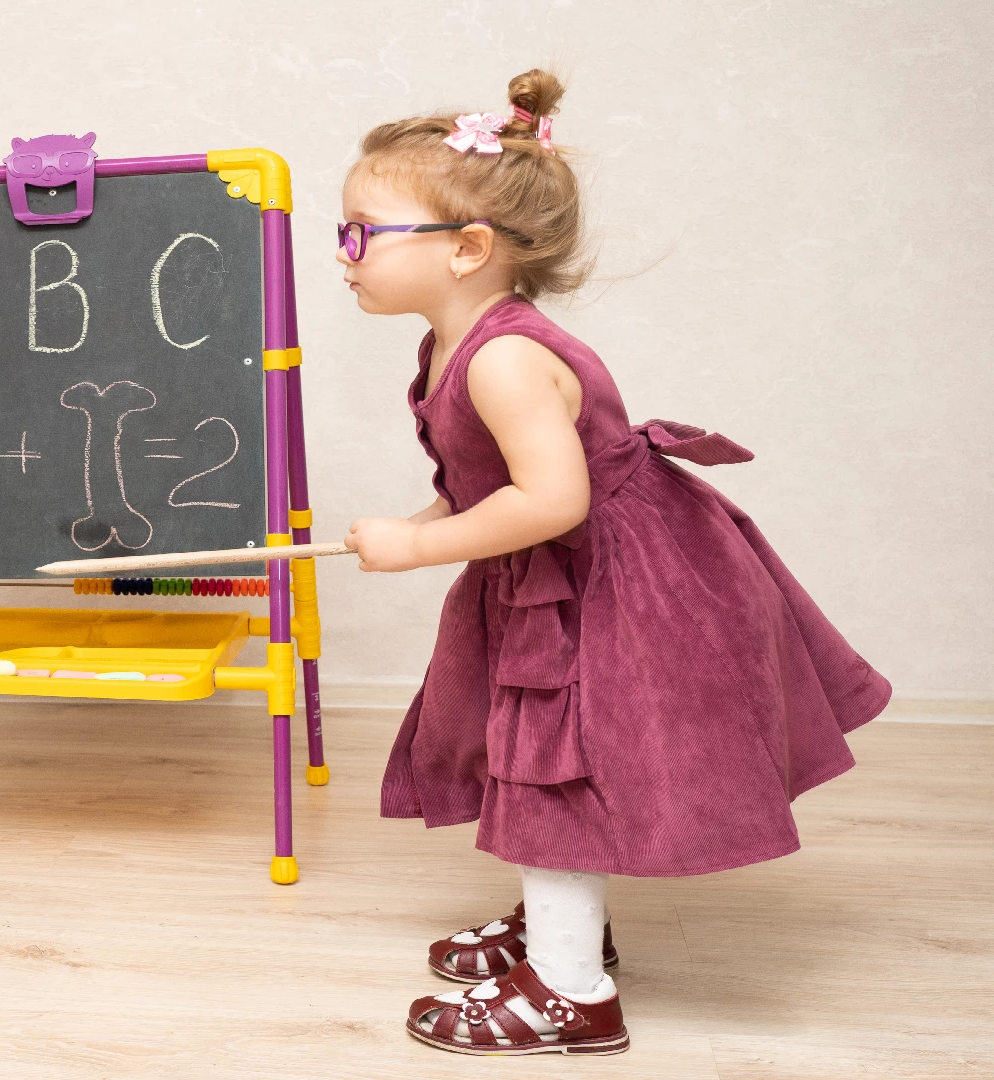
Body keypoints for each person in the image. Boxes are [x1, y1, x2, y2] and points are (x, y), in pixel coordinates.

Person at [337, 69, 892, 1057]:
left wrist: (421, 545)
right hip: (565, 571)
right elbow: (489, 488)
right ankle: (563, 921)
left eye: (359, 233)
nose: (342, 255)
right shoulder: (445, 347)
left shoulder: (504, 358)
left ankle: (570, 991)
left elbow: (554, 499)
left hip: (625, 585)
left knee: (558, 765)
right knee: (533, 753)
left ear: (466, 250)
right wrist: (417, 522)